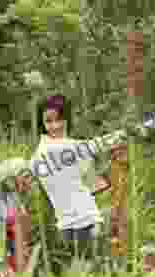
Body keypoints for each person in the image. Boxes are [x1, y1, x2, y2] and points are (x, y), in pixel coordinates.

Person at [31, 94, 124, 263]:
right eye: (49, 121)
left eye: (59, 120)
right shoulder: (46, 151)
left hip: (85, 219)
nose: (55, 126)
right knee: (89, 274)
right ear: (42, 124)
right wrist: (131, 131)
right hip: (75, 224)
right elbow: (97, 145)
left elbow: (90, 183)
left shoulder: (68, 147)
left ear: (67, 119)